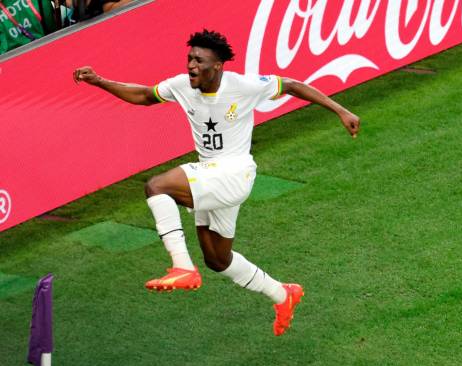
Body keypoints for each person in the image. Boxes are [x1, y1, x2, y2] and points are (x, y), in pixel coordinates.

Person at [73, 29, 360, 336]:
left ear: (218, 65)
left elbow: (290, 84)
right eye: (189, 59)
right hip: (211, 175)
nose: (191, 66)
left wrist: (341, 110)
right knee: (217, 259)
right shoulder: (183, 86)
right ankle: (282, 294)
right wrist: (100, 81)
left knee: (157, 187)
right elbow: (144, 95)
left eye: (199, 60)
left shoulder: (243, 86)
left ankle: (182, 266)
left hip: (234, 173)